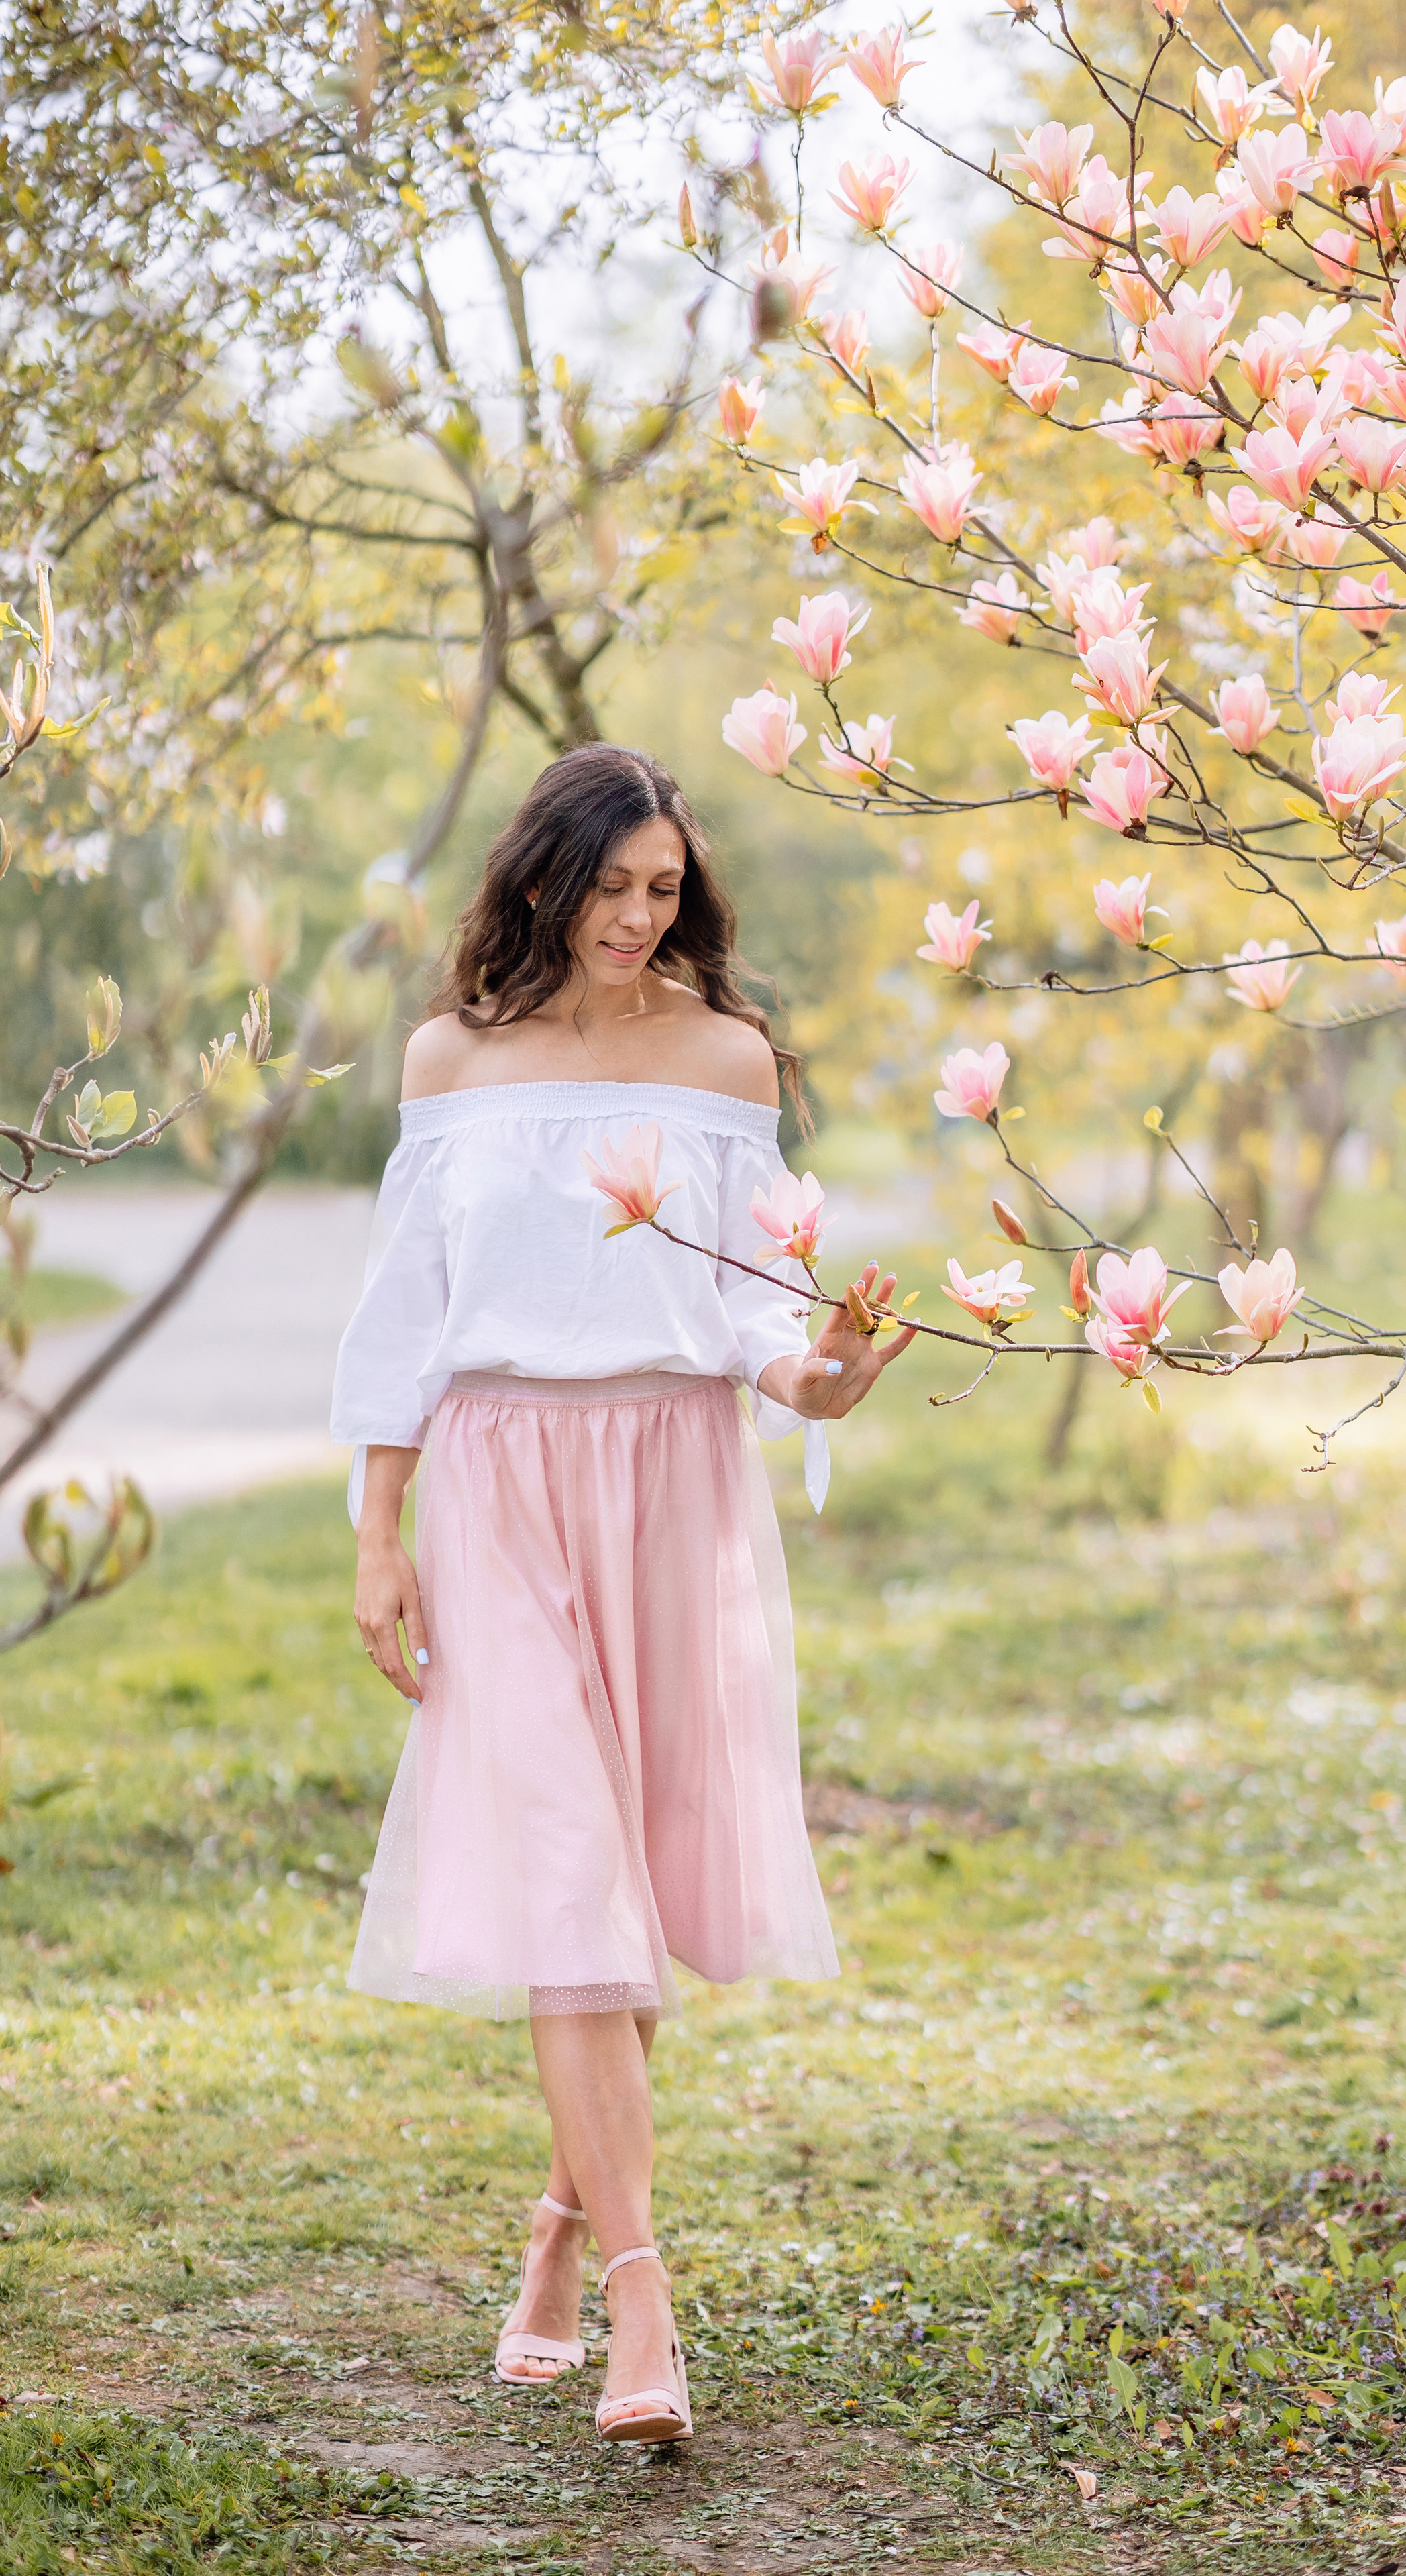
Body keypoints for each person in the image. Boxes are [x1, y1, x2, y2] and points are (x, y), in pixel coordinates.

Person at [329, 742, 912, 2446]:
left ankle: (554, 2237)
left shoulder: (727, 1061)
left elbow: (757, 1328)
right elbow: (405, 1315)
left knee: (632, 1879)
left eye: (663, 890)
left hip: (675, 1480)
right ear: (543, 879)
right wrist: (380, 1529)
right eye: (610, 886)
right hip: (498, 1483)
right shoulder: (453, 1061)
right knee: (565, 1871)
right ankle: (643, 2301)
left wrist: (832, 1375)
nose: (636, 918)